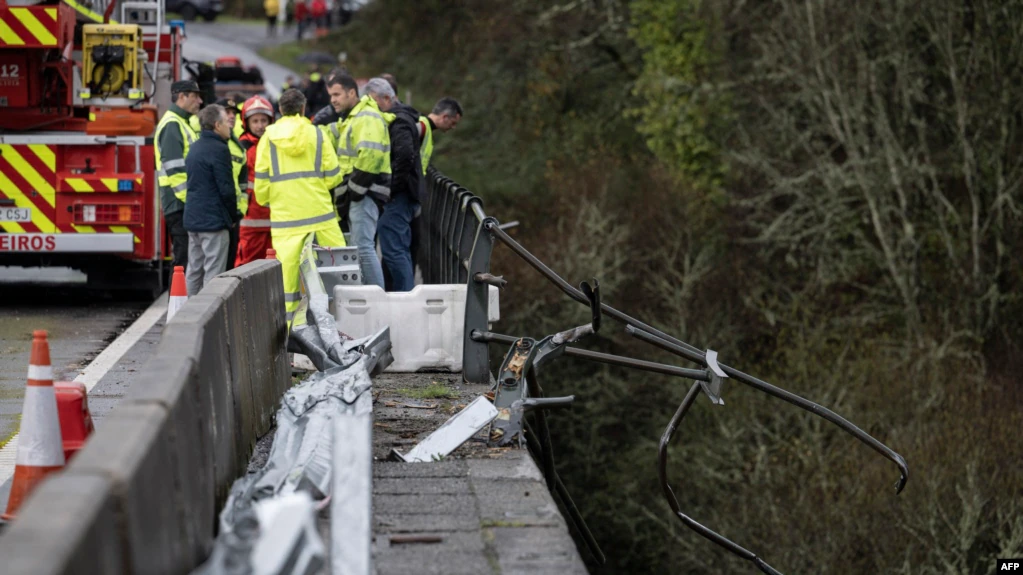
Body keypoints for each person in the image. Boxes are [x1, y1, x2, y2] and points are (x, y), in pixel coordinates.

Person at [254, 89, 345, 329]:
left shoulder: (268, 139)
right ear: (304, 109)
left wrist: (268, 199)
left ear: (280, 111)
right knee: (337, 268)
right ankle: (340, 325)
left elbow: (261, 181)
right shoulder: (317, 134)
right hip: (319, 214)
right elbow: (334, 176)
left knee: (287, 280)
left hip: (286, 218)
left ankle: (290, 335)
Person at [329, 77, 393, 289]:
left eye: (337, 94)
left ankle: (376, 301)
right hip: (363, 191)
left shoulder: (366, 116)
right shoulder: (354, 118)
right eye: (331, 96)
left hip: (366, 192)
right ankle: (371, 298)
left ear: (351, 93)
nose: (333, 100)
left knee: (363, 249)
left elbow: (370, 158)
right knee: (360, 248)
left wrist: (353, 191)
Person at [184, 105, 238, 296]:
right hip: (213, 221)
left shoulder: (194, 148)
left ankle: (187, 313)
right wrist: (233, 215)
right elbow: (226, 189)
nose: (230, 126)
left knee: (194, 270)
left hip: (193, 218)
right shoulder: (219, 149)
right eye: (226, 122)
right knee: (213, 273)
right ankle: (207, 320)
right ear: (217, 125)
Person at [409, 97, 464, 278]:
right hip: (407, 192)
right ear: (445, 117)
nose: (452, 128)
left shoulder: (425, 128)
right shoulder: (422, 128)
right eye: (453, 123)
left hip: (413, 191)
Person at [377, 91, 422, 292]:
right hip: (409, 193)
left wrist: (390, 188)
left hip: (400, 195)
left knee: (395, 250)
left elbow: (404, 157)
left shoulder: (399, 121)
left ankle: (405, 297)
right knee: (398, 249)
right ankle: (405, 294)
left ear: (386, 98)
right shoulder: (406, 118)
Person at [155, 80, 201, 270]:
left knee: (187, 258)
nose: (199, 100)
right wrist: (191, 200)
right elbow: (175, 169)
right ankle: (178, 301)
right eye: (195, 96)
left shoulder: (181, 122)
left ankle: (181, 299)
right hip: (179, 202)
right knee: (183, 260)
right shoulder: (173, 124)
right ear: (182, 96)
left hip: (181, 201)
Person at [235, 95, 275, 267]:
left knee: (275, 267)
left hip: (276, 219)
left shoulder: (277, 143)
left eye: (263, 120)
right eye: (255, 121)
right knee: (247, 266)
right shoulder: (242, 147)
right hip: (251, 220)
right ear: (247, 123)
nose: (260, 125)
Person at [214, 98, 249, 269]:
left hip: (233, 214)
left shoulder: (238, 147)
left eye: (234, 113)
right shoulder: (212, 143)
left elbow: (242, 184)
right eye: (227, 112)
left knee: (229, 263)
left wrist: (240, 210)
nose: (232, 116)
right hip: (215, 214)